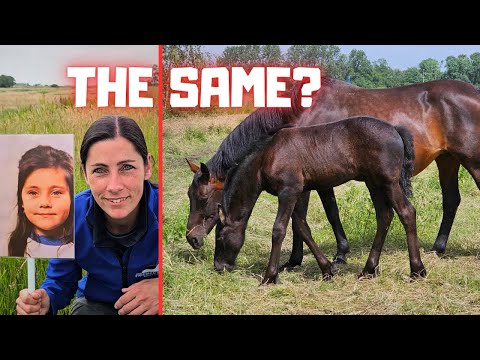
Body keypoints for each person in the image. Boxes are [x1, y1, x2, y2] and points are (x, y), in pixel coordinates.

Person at [15, 115, 159, 315]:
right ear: (84, 173)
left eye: (127, 167)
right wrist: (45, 300)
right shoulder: (70, 216)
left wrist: (161, 287)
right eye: (100, 170)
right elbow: (60, 281)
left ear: (147, 166)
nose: (115, 186)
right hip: (97, 305)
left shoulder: (166, 209)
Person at [8, 145, 74, 259]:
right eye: (33, 193)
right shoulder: (16, 245)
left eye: (56, 192)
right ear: (21, 200)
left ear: (71, 198)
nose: (44, 203)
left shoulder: (82, 243)